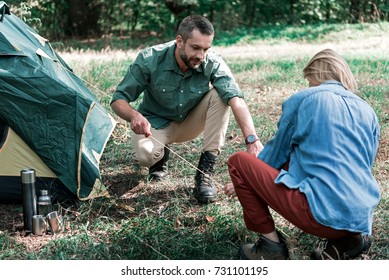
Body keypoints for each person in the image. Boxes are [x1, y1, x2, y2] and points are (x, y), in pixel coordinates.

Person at [224, 48, 381, 260]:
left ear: (316, 74)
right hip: (361, 216)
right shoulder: (368, 110)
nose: (308, 86)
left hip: (322, 216)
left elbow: (276, 154)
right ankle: (346, 241)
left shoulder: (306, 98)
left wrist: (246, 181)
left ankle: (271, 248)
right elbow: (363, 165)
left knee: (239, 162)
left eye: (309, 81)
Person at [110, 15, 263, 204]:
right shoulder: (150, 58)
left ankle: (204, 173)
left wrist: (252, 140)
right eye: (196, 48)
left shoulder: (211, 62)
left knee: (222, 96)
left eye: (206, 49)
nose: (201, 55)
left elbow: (236, 100)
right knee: (145, 155)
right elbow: (118, 99)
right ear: (180, 41)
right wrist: (134, 115)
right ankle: (160, 158)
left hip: (191, 121)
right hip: (155, 125)